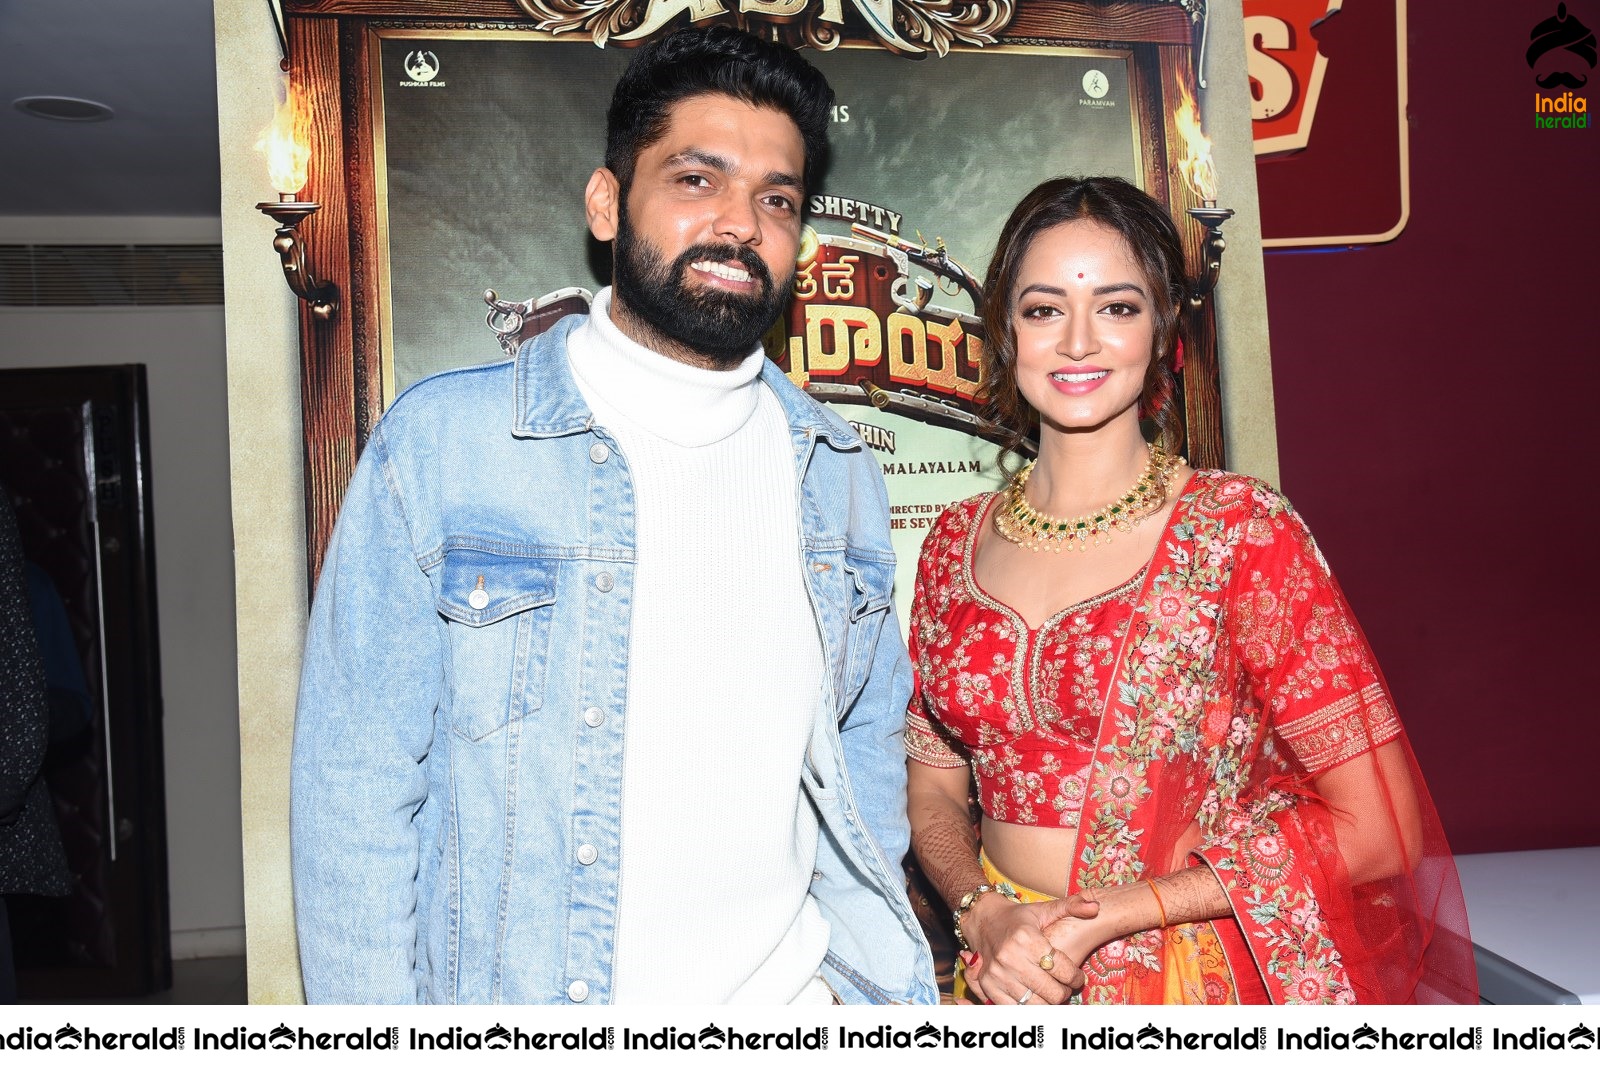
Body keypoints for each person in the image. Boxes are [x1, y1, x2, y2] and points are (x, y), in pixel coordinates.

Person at [292, 25, 935, 1006]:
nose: (739, 223)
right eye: (696, 180)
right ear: (606, 202)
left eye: (776, 199)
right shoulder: (444, 447)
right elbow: (354, 790)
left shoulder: (837, 469)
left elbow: (863, 750)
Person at [903, 176, 1477, 1005]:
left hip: (1183, 976)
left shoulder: (1239, 531)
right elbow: (932, 786)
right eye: (1043, 309)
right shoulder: (954, 543)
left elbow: (1383, 829)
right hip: (1004, 975)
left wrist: (1111, 915)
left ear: (1164, 329)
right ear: (1005, 332)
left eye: (1117, 307)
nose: (1078, 342)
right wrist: (981, 911)